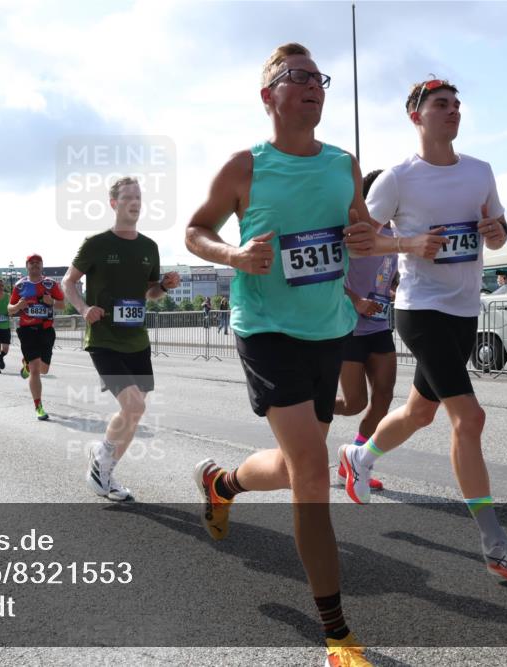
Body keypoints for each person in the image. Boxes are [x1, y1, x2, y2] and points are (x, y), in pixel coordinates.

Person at [185, 43, 371, 666]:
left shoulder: (344, 164)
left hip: (328, 329)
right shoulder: (245, 166)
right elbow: (195, 229)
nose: (313, 86)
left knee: (299, 466)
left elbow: (359, 229)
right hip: (266, 327)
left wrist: (365, 240)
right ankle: (338, 636)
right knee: (314, 474)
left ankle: (222, 483)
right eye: (297, 77)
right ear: (268, 96)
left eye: (318, 77)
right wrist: (233, 255)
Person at [338, 77, 507, 585]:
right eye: (441, 104)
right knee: (469, 418)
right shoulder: (397, 178)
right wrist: (409, 244)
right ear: (416, 116)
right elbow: (360, 241)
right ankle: (495, 545)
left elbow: (496, 235)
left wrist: (497, 232)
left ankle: (358, 456)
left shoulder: (480, 172)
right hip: (420, 310)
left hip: (464, 311)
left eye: (457, 104)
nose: (453, 111)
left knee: (418, 413)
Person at [62, 176, 181, 501]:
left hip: (137, 340)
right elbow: (68, 282)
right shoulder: (96, 243)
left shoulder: (149, 247)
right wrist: (84, 308)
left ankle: (105, 473)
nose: (135, 202)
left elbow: (151, 293)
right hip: (104, 339)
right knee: (134, 403)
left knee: (136, 411)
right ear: (114, 203)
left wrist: (166, 286)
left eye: (139, 197)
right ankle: (101, 458)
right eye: (128, 197)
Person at [333, 170, 395, 492]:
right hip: (350, 328)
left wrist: (396, 289)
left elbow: (389, 274)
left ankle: (356, 460)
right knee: (354, 403)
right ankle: (310, 404)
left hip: (380, 326)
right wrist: (356, 301)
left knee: (384, 397)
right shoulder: (354, 233)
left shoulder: (396, 234)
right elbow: (331, 277)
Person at [9, 254, 64, 420]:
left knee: (44, 369)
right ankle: (38, 406)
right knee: (35, 369)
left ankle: (26, 364)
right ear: (26, 266)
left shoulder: (50, 284)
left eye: (37, 263)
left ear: (42, 265)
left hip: (46, 330)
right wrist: (18, 305)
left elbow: (62, 305)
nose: (34, 265)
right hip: (27, 330)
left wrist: (51, 302)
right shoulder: (20, 286)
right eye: (31, 263)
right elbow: (10, 308)